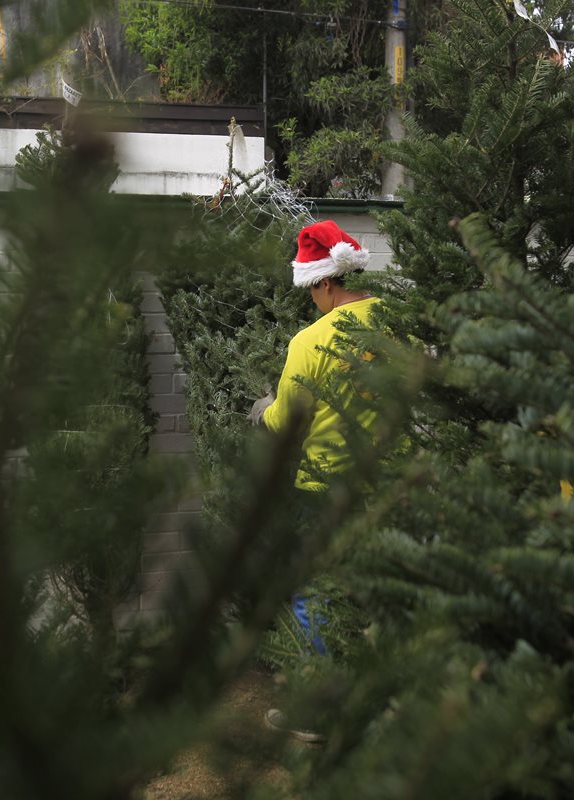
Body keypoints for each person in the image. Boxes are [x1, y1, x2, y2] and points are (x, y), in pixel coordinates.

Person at [248, 219, 381, 742]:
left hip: (325, 490)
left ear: (326, 281)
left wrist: (262, 411)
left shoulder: (311, 341)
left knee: (315, 596)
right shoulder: (398, 321)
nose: (311, 300)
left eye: (311, 291)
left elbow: (287, 419)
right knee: (373, 592)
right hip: (388, 482)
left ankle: (317, 711)